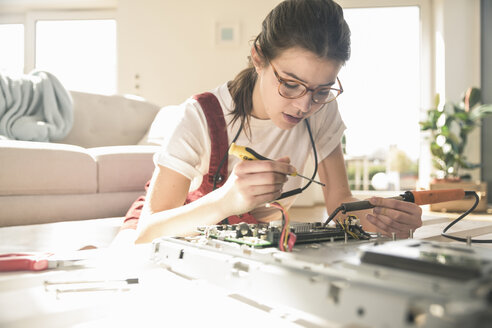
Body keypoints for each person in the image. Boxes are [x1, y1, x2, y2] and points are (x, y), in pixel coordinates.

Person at [118, 0, 422, 245]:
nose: (304, 105)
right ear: (258, 58)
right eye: (290, 84)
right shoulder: (200, 115)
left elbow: (339, 203)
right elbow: (147, 232)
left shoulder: (322, 112)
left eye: (321, 90)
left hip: (239, 242)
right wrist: (227, 200)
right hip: (165, 228)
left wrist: (382, 219)